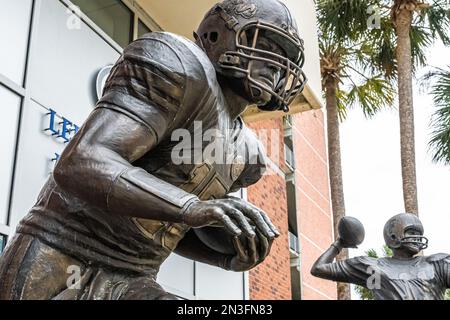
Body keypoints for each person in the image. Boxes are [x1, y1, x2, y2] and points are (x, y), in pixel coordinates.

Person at [0, 0, 307, 300]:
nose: (275, 64)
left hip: (135, 276)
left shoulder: (248, 152)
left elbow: (166, 225)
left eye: (284, 57)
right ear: (215, 36)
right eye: (266, 44)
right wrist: (190, 206)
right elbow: (82, 161)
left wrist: (226, 258)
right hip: (63, 252)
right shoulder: (180, 66)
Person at [311, 213, 450, 300]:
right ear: (393, 235)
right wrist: (339, 244)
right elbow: (319, 268)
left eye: (419, 233)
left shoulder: (437, 264)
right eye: (411, 232)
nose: (417, 238)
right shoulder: (373, 267)